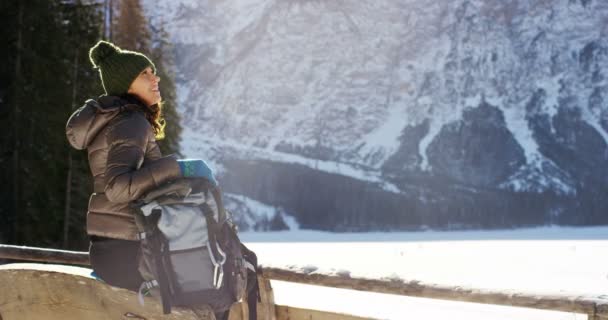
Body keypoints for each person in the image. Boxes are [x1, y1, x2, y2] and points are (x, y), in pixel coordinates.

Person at [66, 40, 218, 292]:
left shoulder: (115, 120)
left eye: (153, 71)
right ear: (126, 84)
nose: (154, 78)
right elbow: (118, 189)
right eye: (144, 73)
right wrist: (180, 169)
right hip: (130, 252)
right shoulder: (131, 122)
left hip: (109, 248)